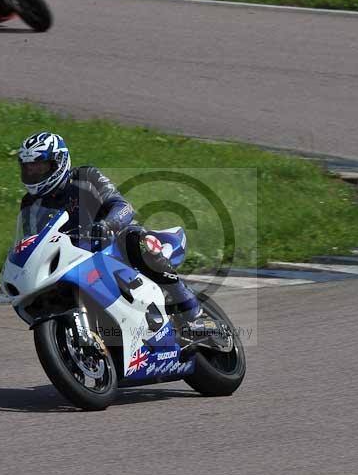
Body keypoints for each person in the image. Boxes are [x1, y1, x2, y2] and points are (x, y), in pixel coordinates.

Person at [16, 131, 212, 335]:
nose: (33, 173)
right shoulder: (30, 204)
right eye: (28, 167)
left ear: (59, 162)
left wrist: (107, 224)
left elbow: (123, 206)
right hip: (74, 258)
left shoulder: (85, 176)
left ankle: (194, 315)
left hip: (112, 242)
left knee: (137, 240)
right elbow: (34, 240)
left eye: (39, 166)